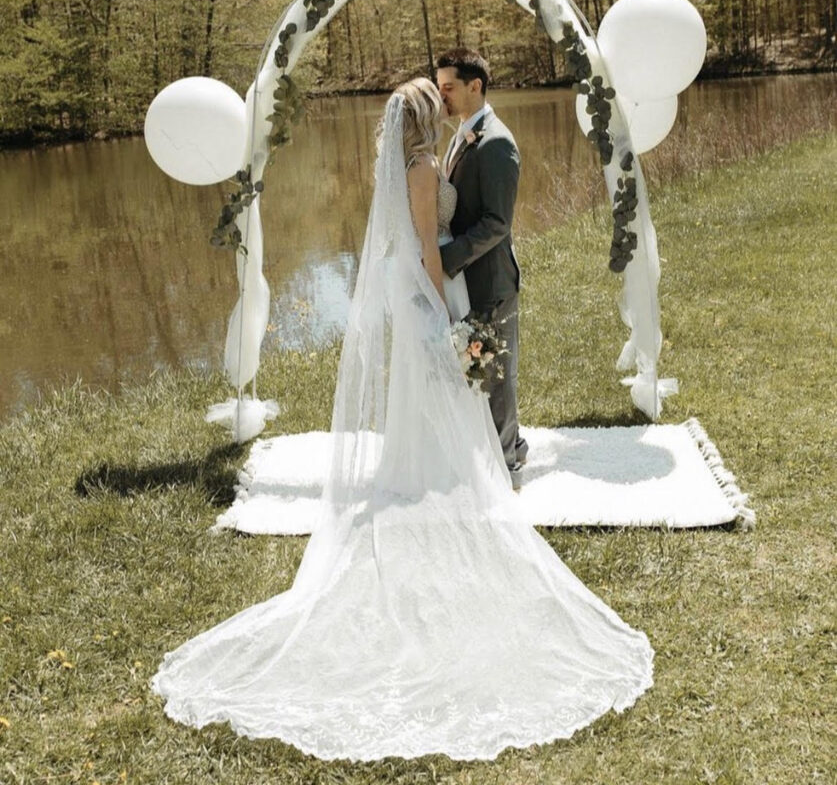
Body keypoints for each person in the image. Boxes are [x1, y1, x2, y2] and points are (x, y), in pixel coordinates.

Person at [151, 79, 653, 761]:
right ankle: (446, 475)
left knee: (431, 397)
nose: (445, 104)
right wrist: (447, 317)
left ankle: (424, 470)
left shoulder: (414, 161)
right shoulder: (421, 168)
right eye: (435, 100)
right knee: (444, 388)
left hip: (415, 283)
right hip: (426, 288)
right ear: (423, 116)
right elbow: (426, 245)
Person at [436, 48, 528, 488]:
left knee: (497, 376)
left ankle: (508, 465)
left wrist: (446, 259)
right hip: (466, 283)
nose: (442, 96)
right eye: (438, 88)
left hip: (490, 281)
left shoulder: (496, 143)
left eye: (448, 87)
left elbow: (497, 223)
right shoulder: (461, 134)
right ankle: (509, 446)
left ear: (476, 86)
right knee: (479, 369)